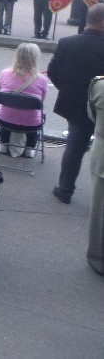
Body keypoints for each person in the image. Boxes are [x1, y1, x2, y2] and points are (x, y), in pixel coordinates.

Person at [48, 3, 104, 204]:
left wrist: (68, 89)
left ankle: (65, 190)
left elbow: (53, 72)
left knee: (74, 149)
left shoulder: (67, 43)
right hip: (102, 108)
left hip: (76, 106)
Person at [0, 43, 47, 157]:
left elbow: (0, 91)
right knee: (36, 117)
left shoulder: (4, 73)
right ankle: (30, 148)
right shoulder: (42, 80)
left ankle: (3, 144)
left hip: (4, 120)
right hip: (30, 124)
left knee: (5, 112)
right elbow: (40, 102)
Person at [86, 76, 104, 275]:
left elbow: (91, 114)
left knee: (99, 210)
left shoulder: (99, 85)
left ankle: (98, 256)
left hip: (102, 152)